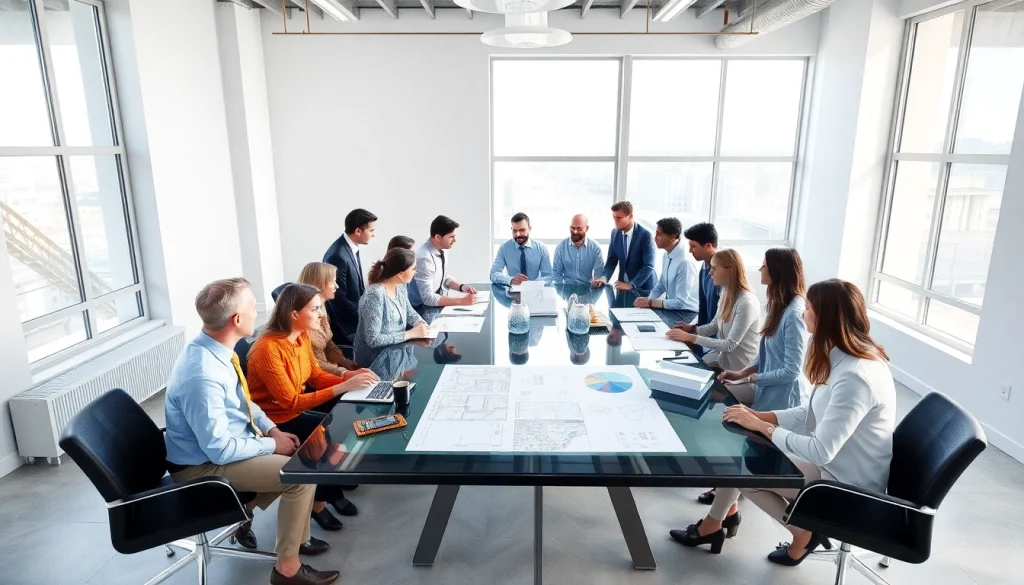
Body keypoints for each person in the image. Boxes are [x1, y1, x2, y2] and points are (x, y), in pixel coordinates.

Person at [671, 279, 896, 567]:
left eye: (810, 308)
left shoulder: (855, 375)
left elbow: (820, 450)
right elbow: (811, 413)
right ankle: (718, 520)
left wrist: (766, 428)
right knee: (748, 452)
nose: (804, 314)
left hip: (844, 484)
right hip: (838, 464)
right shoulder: (848, 356)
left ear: (825, 317)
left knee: (747, 472)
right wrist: (760, 418)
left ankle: (801, 534)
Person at [163, 278, 340, 585]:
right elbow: (218, 450)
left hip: (228, 444)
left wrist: (272, 430)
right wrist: (270, 446)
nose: (258, 312)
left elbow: (245, 401)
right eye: (252, 306)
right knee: (301, 474)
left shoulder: (218, 349)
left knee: (302, 458)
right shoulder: (202, 376)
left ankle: (280, 529)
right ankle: (288, 569)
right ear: (237, 319)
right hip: (201, 468)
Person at [247, 284, 380, 529]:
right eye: (316, 309)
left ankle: (326, 491)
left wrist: (348, 378)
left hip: (292, 412)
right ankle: (320, 504)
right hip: (275, 420)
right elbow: (290, 401)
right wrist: (343, 386)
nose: (322, 314)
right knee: (328, 435)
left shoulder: (300, 335)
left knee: (340, 426)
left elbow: (316, 376)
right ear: (294, 314)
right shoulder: (267, 349)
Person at [688, 248, 811, 507]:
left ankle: (723, 512)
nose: (760, 270)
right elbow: (765, 352)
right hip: (767, 389)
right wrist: (744, 372)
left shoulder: (795, 313)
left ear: (777, 271)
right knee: (740, 450)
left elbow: (790, 371)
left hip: (782, 399)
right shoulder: (779, 304)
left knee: (743, 453)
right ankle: (724, 512)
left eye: (765, 266)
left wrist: (750, 381)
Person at [667, 249, 761, 372]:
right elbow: (714, 326)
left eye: (715, 268)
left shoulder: (746, 302)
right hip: (723, 360)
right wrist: (692, 329)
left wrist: (690, 337)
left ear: (730, 270)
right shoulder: (725, 292)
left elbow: (729, 345)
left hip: (740, 370)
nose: (710, 273)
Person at [355, 248, 433, 366]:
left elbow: (409, 312)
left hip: (396, 354)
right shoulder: (375, 295)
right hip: (375, 362)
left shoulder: (400, 286)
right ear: (400, 274)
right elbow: (373, 339)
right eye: (413, 269)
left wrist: (421, 324)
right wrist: (411, 334)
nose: (415, 272)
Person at [322, 208, 377, 345]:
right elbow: (338, 299)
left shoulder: (351, 247)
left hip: (355, 316)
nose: (374, 234)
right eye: (371, 230)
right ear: (358, 231)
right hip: (345, 327)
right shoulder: (338, 256)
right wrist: (366, 318)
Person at [296, 262, 360, 375]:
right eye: (333, 281)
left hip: (329, 372)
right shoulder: (306, 318)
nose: (337, 286)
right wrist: (342, 372)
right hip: (318, 378)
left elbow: (327, 342)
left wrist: (343, 361)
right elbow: (311, 363)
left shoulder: (322, 308)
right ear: (319, 284)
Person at [409, 215, 478, 308]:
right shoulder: (424, 259)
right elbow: (428, 298)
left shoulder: (442, 249)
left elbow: (443, 277)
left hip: (433, 305)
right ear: (438, 237)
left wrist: (461, 287)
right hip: (420, 309)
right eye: (451, 237)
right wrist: (462, 301)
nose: (455, 240)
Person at [633, 218, 698, 312]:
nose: (655, 238)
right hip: (672, 310)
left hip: (686, 314)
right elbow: (662, 284)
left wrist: (651, 303)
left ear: (672, 237)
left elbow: (680, 303)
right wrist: (647, 300)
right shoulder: (666, 255)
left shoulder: (685, 262)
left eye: (659, 234)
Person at [596, 201, 655, 293]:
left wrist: (632, 285)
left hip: (643, 289)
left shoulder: (645, 235)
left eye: (619, 218)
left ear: (630, 216)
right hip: (623, 287)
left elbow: (648, 266)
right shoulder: (615, 233)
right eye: (614, 217)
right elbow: (611, 261)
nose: (616, 220)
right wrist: (604, 278)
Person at [490, 212, 552, 286]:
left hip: (535, 291)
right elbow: (493, 274)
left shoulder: (541, 248)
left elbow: (549, 276)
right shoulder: (504, 248)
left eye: (522, 230)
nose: (518, 234)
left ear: (529, 229)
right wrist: (511, 280)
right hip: (512, 292)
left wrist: (532, 285)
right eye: (514, 231)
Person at [552, 214, 604, 287]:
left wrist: (593, 291)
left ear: (587, 228)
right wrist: (562, 291)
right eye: (572, 228)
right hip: (567, 290)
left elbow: (598, 275)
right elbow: (556, 273)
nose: (575, 232)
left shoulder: (595, 248)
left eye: (579, 229)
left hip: (587, 290)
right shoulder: (561, 247)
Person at [684, 222, 721, 326]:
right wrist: (695, 330)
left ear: (708, 246)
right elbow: (703, 306)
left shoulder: (723, 272)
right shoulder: (704, 267)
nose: (690, 250)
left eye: (693, 246)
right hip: (706, 333)